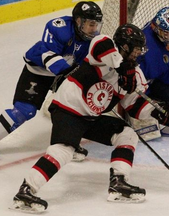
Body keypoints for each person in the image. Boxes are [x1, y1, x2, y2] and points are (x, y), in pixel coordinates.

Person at [11, 23, 169, 212]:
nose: (139, 52)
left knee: (127, 134)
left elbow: (134, 106)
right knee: (63, 151)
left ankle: (119, 182)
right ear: (124, 46)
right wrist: (122, 66)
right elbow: (102, 49)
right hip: (68, 108)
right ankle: (26, 190)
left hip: (91, 117)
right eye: (137, 48)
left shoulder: (135, 74)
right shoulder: (104, 45)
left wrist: (158, 113)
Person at [0, 1, 103, 160]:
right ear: (78, 21)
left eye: (96, 24)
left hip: (64, 73)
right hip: (39, 71)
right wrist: (70, 73)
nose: (94, 29)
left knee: (72, 108)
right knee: (23, 111)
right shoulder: (59, 27)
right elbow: (47, 55)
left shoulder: (93, 40)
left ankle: (67, 143)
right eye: (90, 24)